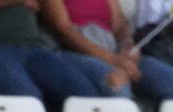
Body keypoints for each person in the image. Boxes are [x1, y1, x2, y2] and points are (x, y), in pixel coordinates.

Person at [39, 0, 173, 101]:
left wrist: (127, 45)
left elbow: (120, 25)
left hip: (113, 51)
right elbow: (63, 30)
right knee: (116, 86)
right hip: (75, 52)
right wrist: (114, 61)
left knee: (167, 79)